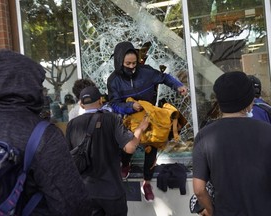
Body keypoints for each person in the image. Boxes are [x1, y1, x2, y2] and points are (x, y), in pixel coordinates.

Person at [0, 49, 92, 215]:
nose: (43, 90)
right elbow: (75, 205)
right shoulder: (42, 134)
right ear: (29, 86)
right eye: (40, 85)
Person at [107, 41, 188, 201]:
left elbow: (164, 78)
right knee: (129, 145)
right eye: (127, 63)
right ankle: (125, 164)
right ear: (119, 62)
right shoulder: (114, 80)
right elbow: (114, 104)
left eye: (134, 63)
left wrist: (178, 86)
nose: (132, 66)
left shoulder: (146, 72)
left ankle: (147, 182)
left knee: (152, 146)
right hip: (129, 117)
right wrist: (130, 106)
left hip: (149, 114)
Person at [192, 71, 271, 216]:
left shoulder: (204, 136)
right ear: (249, 101)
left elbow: (199, 189)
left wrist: (210, 210)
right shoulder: (267, 131)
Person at [66, 86, 149, 216]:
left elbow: (69, 158)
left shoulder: (72, 125)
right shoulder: (112, 119)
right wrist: (140, 129)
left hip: (85, 192)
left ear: (81, 104)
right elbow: (130, 147)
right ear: (100, 100)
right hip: (112, 192)